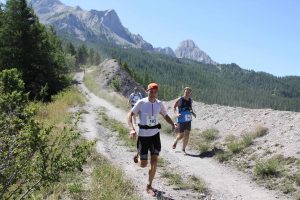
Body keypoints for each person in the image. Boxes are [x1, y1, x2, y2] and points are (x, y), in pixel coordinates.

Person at [128, 83, 175, 196]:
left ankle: (149, 186)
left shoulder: (159, 104)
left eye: (155, 91)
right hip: (143, 136)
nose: (153, 93)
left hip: (155, 136)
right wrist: (132, 129)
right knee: (143, 164)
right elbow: (130, 115)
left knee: (154, 161)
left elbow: (165, 115)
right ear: (146, 91)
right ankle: (138, 155)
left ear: (157, 92)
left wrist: (173, 124)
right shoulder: (141, 102)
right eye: (151, 91)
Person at [172, 87, 196, 154]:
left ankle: (183, 149)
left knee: (187, 134)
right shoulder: (180, 100)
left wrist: (193, 113)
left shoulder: (190, 100)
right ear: (184, 92)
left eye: (188, 92)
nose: (187, 93)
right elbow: (174, 107)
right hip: (181, 119)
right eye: (186, 92)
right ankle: (176, 141)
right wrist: (176, 113)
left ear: (190, 93)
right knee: (181, 135)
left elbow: (190, 108)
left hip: (188, 119)